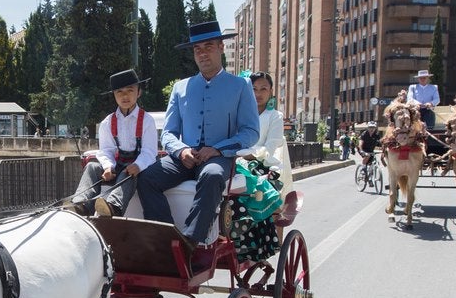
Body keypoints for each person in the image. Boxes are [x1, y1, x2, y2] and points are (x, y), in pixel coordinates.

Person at [136, 19, 260, 247]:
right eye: (197, 49)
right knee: (146, 178)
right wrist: (181, 150)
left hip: (219, 158)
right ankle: (166, 237)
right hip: (184, 157)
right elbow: (168, 133)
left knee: (211, 175)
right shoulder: (180, 87)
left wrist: (217, 149)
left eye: (208, 46)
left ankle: (190, 242)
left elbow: (251, 131)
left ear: (221, 47)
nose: (202, 53)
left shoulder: (240, 86)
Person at [71, 68, 157, 217]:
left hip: (138, 168)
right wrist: (108, 167)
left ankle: (113, 207)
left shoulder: (147, 121)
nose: (125, 96)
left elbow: (150, 152)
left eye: (130, 90)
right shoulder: (107, 122)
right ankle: (81, 204)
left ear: (139, 92)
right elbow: (106, 150)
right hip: (117, 164)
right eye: (119, 92)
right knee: (92, 167)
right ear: (114, 95)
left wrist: (138, 165)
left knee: (127, 173)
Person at [241, 71, 297, 223]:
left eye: (263, 89)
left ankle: (271, 224)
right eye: (254, 89)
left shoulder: (275, 116)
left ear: (271, 91)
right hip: (238, 160)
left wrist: (249, 155)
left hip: (264, 163)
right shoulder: (241, 113)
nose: (258, 93)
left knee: (263, 187)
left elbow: (271, 146)